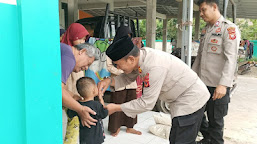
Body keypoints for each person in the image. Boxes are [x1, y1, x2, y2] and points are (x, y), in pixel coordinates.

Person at [98, 35, 210, 144]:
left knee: (180, 140)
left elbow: (146, 103)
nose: (118, 68)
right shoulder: (142, 57)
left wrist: (117, 107)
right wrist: (109, 81)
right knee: (179, 137)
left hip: (190, 100)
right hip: (182, 99)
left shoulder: (153, 67)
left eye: (118, 64)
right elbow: (128, 77)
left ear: (131, 59)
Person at [192, 0, 240, 144]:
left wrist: (223, 85)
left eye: (203, 10)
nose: (201, 14)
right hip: (202, 83)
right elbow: (200, 57)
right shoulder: (206, 29)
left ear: (214, 7)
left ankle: (215, 141)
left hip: (218, 85)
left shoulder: (228, 29)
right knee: (196, 114)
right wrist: (192, 78)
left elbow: (231, 59)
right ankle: (208, 139)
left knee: (216, 122)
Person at [106, 26, 141, 136]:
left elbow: (135, 65)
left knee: (132, 105)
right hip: (118, 82)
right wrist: (121, 71)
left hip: (131, 83)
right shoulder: (112, 49)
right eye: (125, 36)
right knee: (116, 105)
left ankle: (130, 127)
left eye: (129, 36)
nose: (127, 38)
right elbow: (109, 66)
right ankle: (115, 128)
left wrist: (128, 70)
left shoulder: (132, 49)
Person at [61, 42, 100, 141]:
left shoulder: (65, 51)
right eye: (88, 63)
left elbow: (56, 87)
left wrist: (72, 96)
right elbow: (57, 91)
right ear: (82, 51)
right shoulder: (70, 59)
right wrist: (80, 109)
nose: (86, 68)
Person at [61, 23, 91, 144]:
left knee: (74, 121)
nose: (82, 41)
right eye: (80, 38)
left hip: (71, 94)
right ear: (72, 35)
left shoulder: (77, 56)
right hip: (64, 94)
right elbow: (59, 88)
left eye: (84, 39)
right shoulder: (67, 55)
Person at [67, 77, 108, 144]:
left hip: (84, 138)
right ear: (94, 90)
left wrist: (74, 100)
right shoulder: (97, 105)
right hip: (96, 138)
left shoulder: (78, 105)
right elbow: (104, 113)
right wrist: (101, 99)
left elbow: (69, 113)